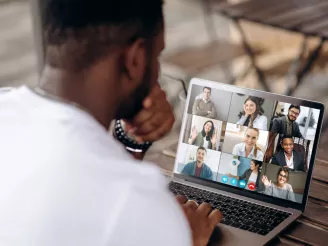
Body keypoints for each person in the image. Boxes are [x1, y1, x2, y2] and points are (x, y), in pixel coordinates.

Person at [0, 1, 222, 246]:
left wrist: (129, 141)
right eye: (157, 54)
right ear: (135, 59)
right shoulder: (137, 203)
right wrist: (185, 238)